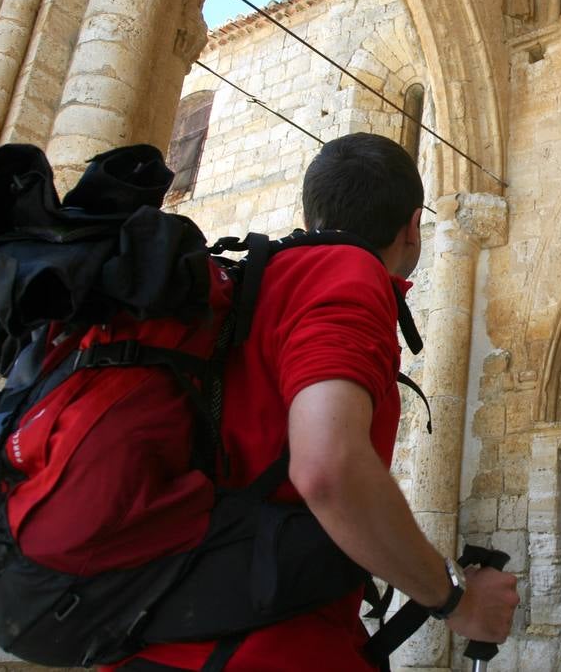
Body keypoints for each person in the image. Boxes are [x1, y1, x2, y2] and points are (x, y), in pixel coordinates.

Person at [113, 132, 519, 670]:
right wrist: (454, 599)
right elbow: (327, 467)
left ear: (309, 221)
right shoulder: (346, 277)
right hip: (266, 648)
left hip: (170, 633)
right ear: (413, 225)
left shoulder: (264, 280)